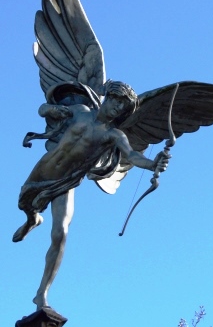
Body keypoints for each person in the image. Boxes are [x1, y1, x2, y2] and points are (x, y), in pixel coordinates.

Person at [14, 81, 169, 308]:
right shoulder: (81, 112)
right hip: (43, 171)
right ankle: (32, 220)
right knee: (26, 204)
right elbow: (42, 109)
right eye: (116, 101)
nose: (117, 108)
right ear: (108, 96)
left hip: (66, 183)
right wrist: (53, 110)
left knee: (60, 233)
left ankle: (42, 293)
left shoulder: (114, 135)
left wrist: (152, 164)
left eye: (122, 107)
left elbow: (132, 156)